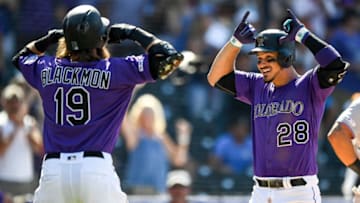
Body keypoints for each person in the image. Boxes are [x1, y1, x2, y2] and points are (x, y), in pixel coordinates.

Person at [11, 4, 183, 203]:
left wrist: (52, 37)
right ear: (101, 39)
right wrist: (131, 32)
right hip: (95, 169)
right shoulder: (117, 70)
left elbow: (21, 57)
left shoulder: (46, 68)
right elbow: (168, 57)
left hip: (53, 171)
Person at [207, 8, 349, 202]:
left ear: (286, 57)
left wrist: (303, 35)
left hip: (299, 192)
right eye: (259, 59)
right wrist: (235, 43)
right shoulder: (257, 85)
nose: (261, 64)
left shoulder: (309, 85)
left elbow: (336, 65)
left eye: (268, 58)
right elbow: (216, 77)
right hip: (261, 192)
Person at [121, 94, 192, 194]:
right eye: (145, 114)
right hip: (138, 190)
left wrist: (184, 137)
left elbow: (179, 160)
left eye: (150, 113)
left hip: (159, 191)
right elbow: (122, 116)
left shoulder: (162, 137)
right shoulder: (135, 135)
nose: (148, 117)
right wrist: (131, 90)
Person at [0, 83, 43, 196]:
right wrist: (15, 129)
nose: (14, 105)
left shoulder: (29, 122)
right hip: (4, 181)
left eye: (16, 101)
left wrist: (26, 129)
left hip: (26, 181)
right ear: (4, 102)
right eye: (10, 101)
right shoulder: (1, 122)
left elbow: (39, 148)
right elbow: (1, 150)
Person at [327, 92, 360, 202]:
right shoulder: (353, 105)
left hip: (354, 148)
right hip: (354, 149)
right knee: (348, 184)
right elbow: (338, 133)